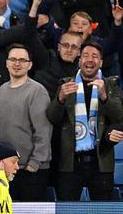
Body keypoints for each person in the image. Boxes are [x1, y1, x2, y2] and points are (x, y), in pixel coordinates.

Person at [46, 42, 123, 201]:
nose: (89, 60)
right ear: (79, 60)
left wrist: (104, 97)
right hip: (70, 162)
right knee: (67, 212)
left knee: (102, 213)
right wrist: (60, 99)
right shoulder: (66, 84)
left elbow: (119, 117)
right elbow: (52, 118)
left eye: (94, 56)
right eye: (85, 55)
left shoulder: (111, 86)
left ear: (101, 62)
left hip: (101, 162)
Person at [0, 44, 52, 201]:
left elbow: (43, 131)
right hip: (5, 170)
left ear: (30, 65)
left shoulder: (37, 91)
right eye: (13, 59)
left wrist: (34, 163)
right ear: (6, 63)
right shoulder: (2, 89)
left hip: (30, 170)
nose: (17, 63)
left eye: (22, 60)